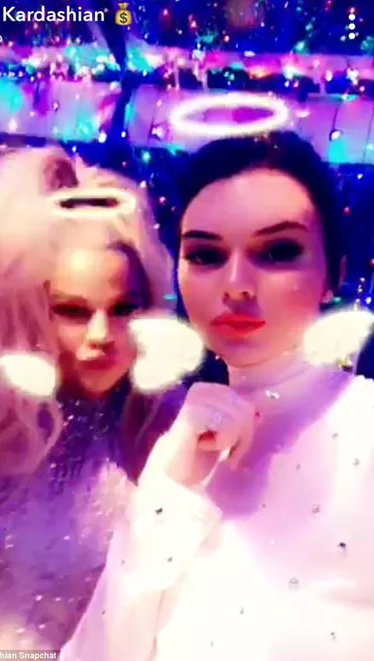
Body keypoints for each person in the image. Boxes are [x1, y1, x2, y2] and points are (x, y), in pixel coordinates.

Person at [62, 131, 374, 661]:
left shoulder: (363, 427)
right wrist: (169, 491)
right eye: (205, 255)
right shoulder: (178, 442)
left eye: (277, 251)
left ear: (334, 274)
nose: (236, 285)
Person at [0, 147, 184, 652]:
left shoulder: (162, 431)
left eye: (123, 308)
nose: (101, 335)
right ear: (31, 313)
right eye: (72, 311)